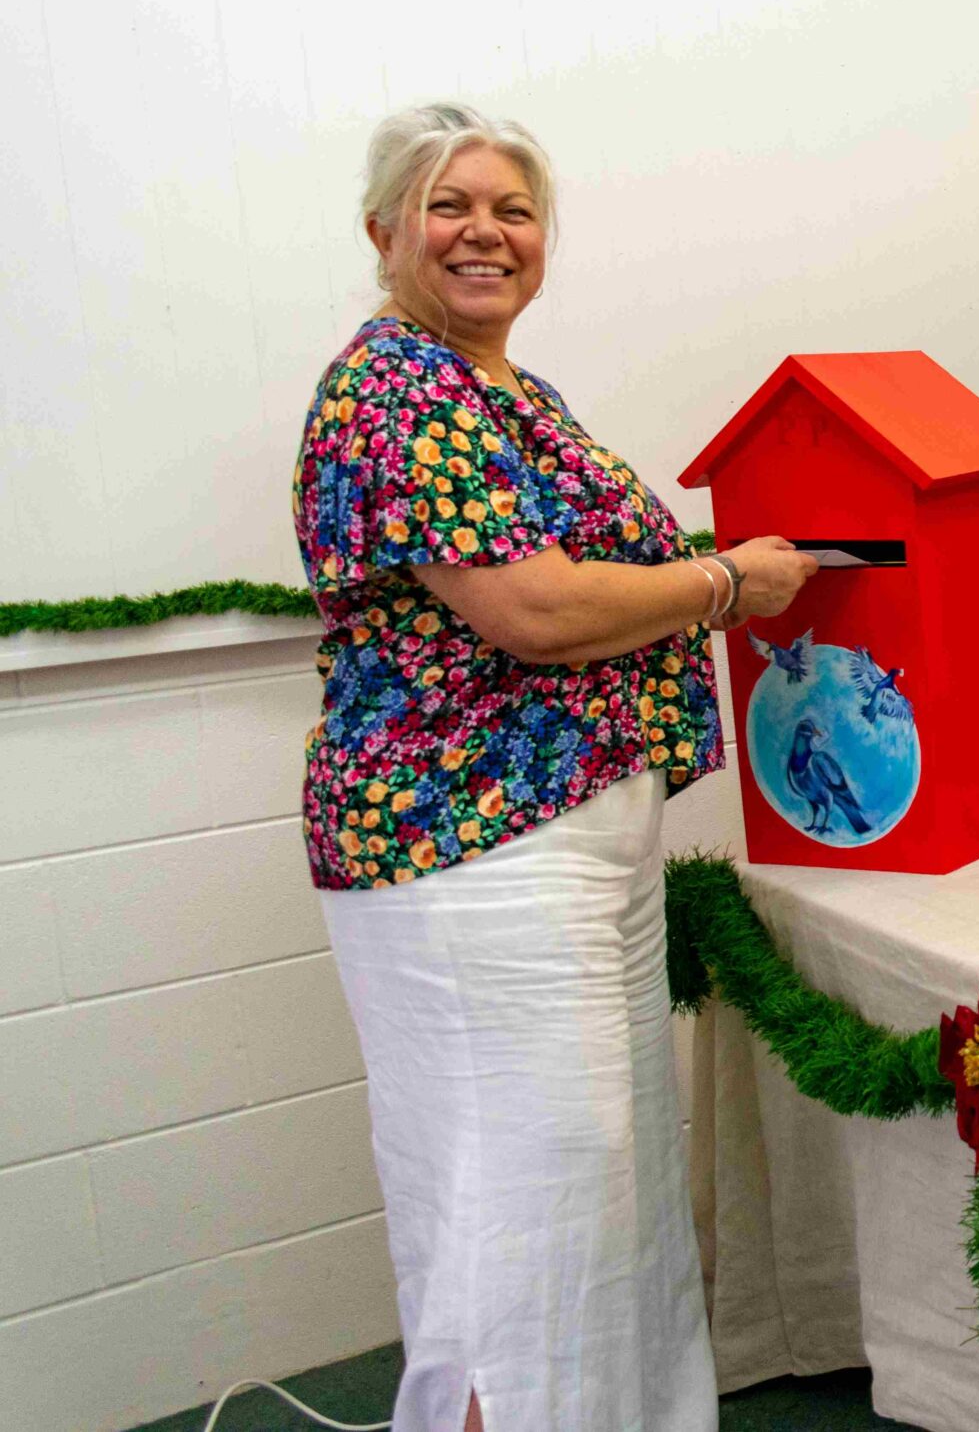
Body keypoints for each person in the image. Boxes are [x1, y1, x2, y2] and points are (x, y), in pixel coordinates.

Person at [290, 102, 817, 1431]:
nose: (486, 232)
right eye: (450, 205)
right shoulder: (393, 388)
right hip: (473, 854)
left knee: (608, 1207)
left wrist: (712, 571)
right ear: (384, 231)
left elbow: (586, 571)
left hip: (579, 842)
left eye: (513, 209)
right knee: (523, 1231)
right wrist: (718, 582)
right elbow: (528, 608)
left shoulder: (516, 392)